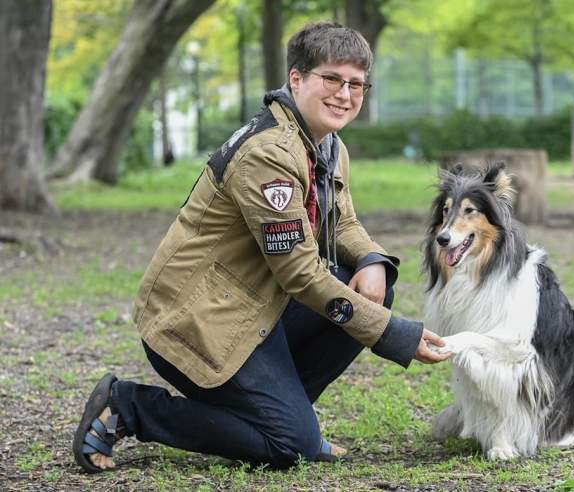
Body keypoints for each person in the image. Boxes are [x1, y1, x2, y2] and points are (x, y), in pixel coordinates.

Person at [73, 21, 451, 473]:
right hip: (198, 321)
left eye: (356, 84)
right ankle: (129, 406)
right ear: (297, 78)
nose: (345, 94)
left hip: (254, 307)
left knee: (370, 288)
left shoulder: (326, 144)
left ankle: (280, 419)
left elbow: (342, 222)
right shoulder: (268, 154)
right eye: (332, 79)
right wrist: (393, 334)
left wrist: (372, 260)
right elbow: (299, 274)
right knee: (289, 446)